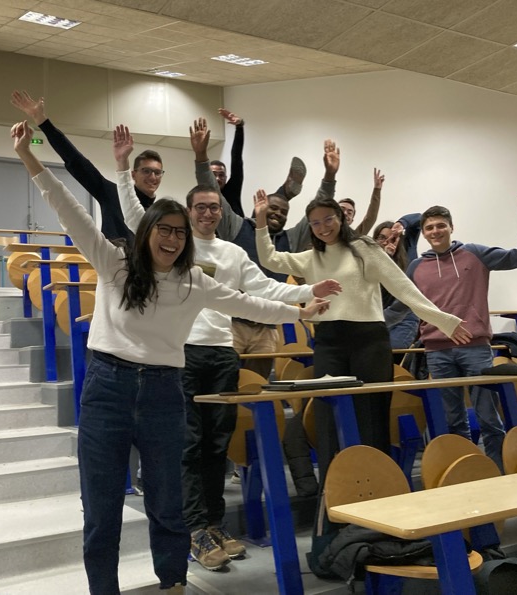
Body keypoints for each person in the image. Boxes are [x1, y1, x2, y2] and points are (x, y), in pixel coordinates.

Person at [9, 120, 331, 594]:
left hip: (163, 391)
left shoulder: (194, 281)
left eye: (180, 233)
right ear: (147, 231)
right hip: (108, 388)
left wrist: (302, 305)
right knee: (100, 506)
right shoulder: (113, 261)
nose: (173, 239)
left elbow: (250, 303)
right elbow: (67, 204)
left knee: (168, 499)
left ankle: (173, 584)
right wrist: (29, 156)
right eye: (164, 229)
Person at [112, 124, 342, 571]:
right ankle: (194, 528)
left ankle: (214, 523)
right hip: (182, 353)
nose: (207, 214)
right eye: (200, 207)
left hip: (221, 353)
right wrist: (122, 167)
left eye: (214, 207)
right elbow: (130, 212)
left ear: (221, 210)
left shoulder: (235, 253)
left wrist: (308, 293)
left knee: (218, 444)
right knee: (188, 444)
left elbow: (262, 291)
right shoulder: (171, 245)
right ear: (188, 210)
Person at [251, 145, 472, 574]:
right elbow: (270, 259)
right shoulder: (311, 257)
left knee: (371, 422)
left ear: (341, 219)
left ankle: (381, 515)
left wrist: (444, 320)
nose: (322, 228)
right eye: (314, 223)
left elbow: (405, 291)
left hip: (370, 340)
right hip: (331, 341)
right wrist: (261, 223)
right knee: (333, 428)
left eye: (328, 219)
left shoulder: (365, 249)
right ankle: (340, 517)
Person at [385, 188, 517, 472]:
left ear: (451, 227)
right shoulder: (417, 267)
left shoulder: (475, 254)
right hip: (436, 352)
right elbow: (399, 308)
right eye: (429, 227)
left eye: (440, 225)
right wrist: (366, 325)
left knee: (488, 417)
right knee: (452, 421)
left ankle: (497, 472)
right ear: (423, 232)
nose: (435, 231)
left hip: (475, 348)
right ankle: (466, 472)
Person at [189, 117, 333, 380]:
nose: (278, 214)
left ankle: (254, 424)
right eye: (272, 208)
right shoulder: (237, 227)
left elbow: (321, 207)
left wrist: (330, 177)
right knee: (226, 385)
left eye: (283, 211)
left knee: (257, 390)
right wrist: (200, 157)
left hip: (267, 327)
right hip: (233, 324)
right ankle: (286, 189)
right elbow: (213, 193)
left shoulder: (290, 239)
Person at [10, 89, 163, 242]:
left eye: (157, 172)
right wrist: (41, 120)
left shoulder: (161, 214)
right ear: (133, 174)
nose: (152, 177)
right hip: (112, 263)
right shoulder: (111, 194)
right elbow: (76, 161)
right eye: (146, 171)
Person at [209, 107, 307, 218]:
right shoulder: (201, 196)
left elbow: (236, 159)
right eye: (214, 174)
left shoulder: (231, 189)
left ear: (226, 178)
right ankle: (285, 192)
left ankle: (287, 190)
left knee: (262, 209)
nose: (217, 178)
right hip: (215, 233)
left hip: (242, 231)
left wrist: (239, 127)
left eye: (221, 175)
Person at [372, 220, 420, 356]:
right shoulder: (369, 261)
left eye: (392, 238)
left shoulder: (408, 255)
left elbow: (419, 219)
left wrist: (401, 223)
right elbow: (376, 292)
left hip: (404, 317)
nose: (387, 242)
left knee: (390, 350)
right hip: (379, 317)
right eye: (382, 237)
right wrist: (385, 258)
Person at [338, 167, 383, 236]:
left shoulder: (354, 237)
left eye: (350, 213)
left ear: (351, 220)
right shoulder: (320, 232)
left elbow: (370, 219)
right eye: (341, 209)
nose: (345, 213)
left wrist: (377, 190)